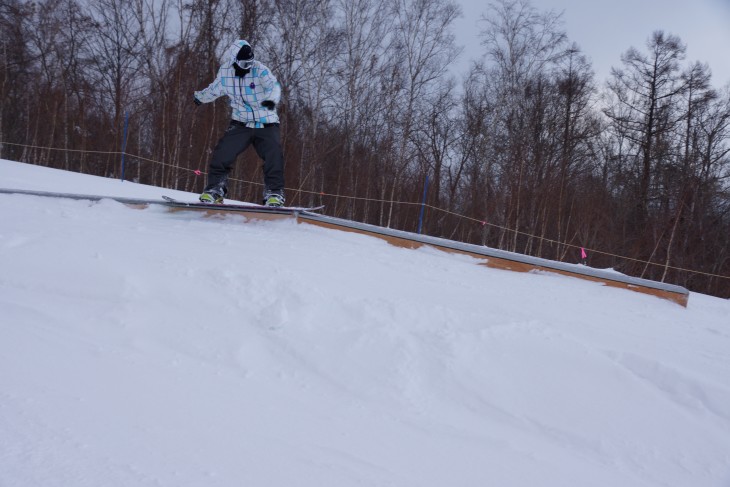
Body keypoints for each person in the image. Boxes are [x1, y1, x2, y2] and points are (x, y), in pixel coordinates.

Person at [194, 39, 286, 206]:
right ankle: (215, 189)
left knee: (273, 155)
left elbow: (274, 86)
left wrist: (271, 100)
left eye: (250, 62)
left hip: (266, 122)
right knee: (223, 153)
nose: (248, 66)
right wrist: (200, 97)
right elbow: (216, 88)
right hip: (241, 122)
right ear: (235, 61)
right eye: (244, 63)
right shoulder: (225, 72)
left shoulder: (260, 70)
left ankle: (274, 193)